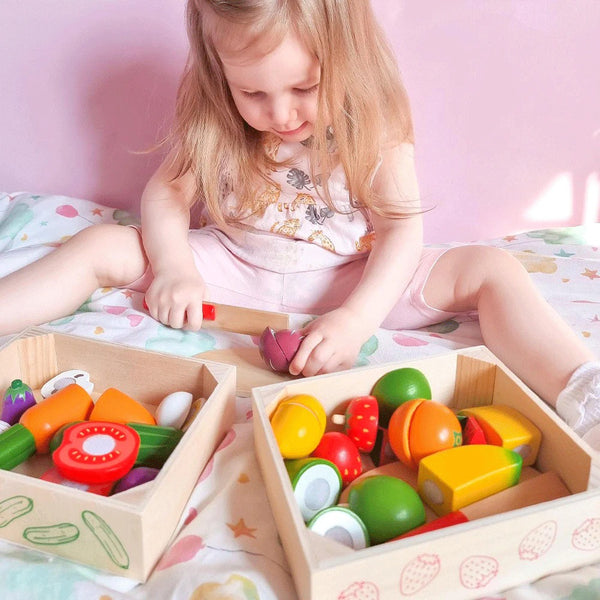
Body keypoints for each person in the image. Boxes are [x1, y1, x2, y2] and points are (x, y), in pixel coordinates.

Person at [0, 0, 599, 442]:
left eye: (304, 87)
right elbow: (166, 195)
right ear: (221, 74)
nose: (279, 114)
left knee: (490, 267)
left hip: (351, 277)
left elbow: (399, 229)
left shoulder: (374, 118)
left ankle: (583, 393)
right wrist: (176, 268)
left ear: (346, 57)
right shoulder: (214, 112)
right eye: (251, 93)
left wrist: (355, 318)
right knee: (102, 243)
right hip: (230, 267)